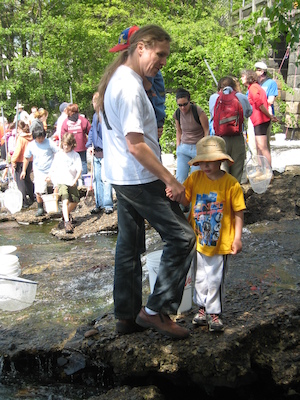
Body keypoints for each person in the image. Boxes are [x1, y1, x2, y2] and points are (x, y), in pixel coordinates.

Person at [97, 24, 196, 339]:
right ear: (141, 47)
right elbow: (136, 145)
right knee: (182, 237)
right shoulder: (127, 87)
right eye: (160, 54)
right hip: (139, 177)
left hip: (120, 177)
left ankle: (126, 318)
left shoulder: (119, 81)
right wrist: (171, 179)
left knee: (128, 247)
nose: (163, 61)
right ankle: (155, 311)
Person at [180, 136, 246, 332]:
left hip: (221, 241)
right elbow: (185, 200)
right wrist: (176, 193)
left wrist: (237, 238)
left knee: (215, 277)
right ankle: (201, 309)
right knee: (199, 276)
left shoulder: (231, 184)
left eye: (210, 162)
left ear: (221, 160)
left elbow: (239, 211)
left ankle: (214, 312)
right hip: (199, 240)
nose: (206, 166)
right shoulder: (194, 178)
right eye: (202, 162)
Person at [109, 25, 166, 139]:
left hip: (155, 113)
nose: (122, 56)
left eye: (125, 51)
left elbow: (147, 85)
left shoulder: (149, 70)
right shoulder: (125, 82)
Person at [209, 76, 253, 183]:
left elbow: (212, 114)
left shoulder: (213, 98)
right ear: (233, 86)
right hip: (237, 137)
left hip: (220, 140)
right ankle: (234, 197)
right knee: (236, 175)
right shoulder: (240, 97)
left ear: (219, 87)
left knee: (221, 173)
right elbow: (249, 113)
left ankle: (222, 199)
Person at [21, 119, 58, 217]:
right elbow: (26, 158)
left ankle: (55, 205)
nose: (40, 139)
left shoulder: (49, 142)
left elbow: (57, 152)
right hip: (39, 170)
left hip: (51, 168)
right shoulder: (31, 145)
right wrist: (24, 171)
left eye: (42, 137)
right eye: (38, 138)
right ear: (34, 137)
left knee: (57, 185)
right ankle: (40, 208)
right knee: (39, 190)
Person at [241, 70, 278, 168]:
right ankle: (262, 170)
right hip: (257, 120)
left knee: (262, 147)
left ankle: (268, 172)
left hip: (260, 120)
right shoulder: (255, 87)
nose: (241, 78)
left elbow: (260, 105)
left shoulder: (253, 88)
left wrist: (269, 116)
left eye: (243, 76)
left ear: (249, 77)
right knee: (259, 147)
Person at [173, 88, 209, 184]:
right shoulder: (177, 113)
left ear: (189, 102)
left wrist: (204, 148)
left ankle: (194, 199)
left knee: (195, 179)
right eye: (180, 105)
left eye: (185, 104)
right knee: (180, 180)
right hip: (184, 148)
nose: (183, 108)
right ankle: (181, 199)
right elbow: (178, 131)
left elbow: (206, 130)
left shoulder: (197, 111)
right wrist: (178, 146)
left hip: (198, 148)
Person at [86, 92, 113, 215]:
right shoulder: (95, 115)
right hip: (96, 151)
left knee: (105, 178)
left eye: (94, 102)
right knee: (96, 179)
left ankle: (107, 204)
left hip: (105, 152)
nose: (93, 104)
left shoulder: (105, 115)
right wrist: (89, 144)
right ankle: (99, 203)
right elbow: (92, 130)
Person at [48, 133, 82, 234]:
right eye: (64, 144)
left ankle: (65, 213)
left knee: (75, 200)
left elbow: (79, 169)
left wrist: (75, 180)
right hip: (62, 181)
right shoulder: (59, 155)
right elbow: (53, 167)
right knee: (65, 200)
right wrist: (49, 175)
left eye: (68, 145)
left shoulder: (75, 155)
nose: (66, 147)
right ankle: (67, 222)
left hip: (71, 181)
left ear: (72, 145)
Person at [61, 104, 91, 177]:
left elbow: (63, 135)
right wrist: (89, 142)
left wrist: (63, 146)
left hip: (70, 147)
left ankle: (74, 181)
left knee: (72, 164)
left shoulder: (65, 122)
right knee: (83, 163)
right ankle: (83, 181)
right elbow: (90, 131)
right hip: (82, 146)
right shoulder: (83, 120)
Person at [255, 61, 278, 152]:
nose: (255, 72)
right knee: (254, 144)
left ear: (262, 72)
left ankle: (267, 165)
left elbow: (270, 100)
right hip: (254, 116)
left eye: (257, 70)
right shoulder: (255, 84)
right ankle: (257, 165)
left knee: (264, 144)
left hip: (265, 116)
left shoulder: (271, 83)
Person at [11, 121, 34, 209]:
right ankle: (32, 196)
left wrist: (13, 160)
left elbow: (18, 151)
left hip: (21, 161)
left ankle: (24, 201)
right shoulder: (30, 137)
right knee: (27, 179)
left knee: (20, 182)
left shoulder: (21, 138)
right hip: (29, 161)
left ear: (19, 129)